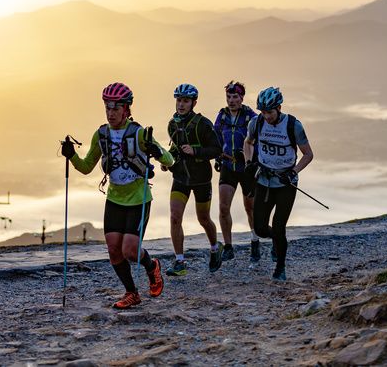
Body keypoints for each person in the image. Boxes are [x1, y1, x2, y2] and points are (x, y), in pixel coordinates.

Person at [61, 82, 174, 309]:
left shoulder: (139, 133)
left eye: (115, 108)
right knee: (114, 250)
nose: (111, 113)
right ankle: (132, 293)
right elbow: (85, 167)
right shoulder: (101, 135)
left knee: (130, 251)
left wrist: (156, 151)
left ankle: (152, 267)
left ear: (126, 110)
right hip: (114, 198)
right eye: (107, 108)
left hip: (138, 198)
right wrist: (71, 155)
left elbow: (169, 160)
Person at [244, 87, 314, 281]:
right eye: (263, 112)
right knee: (259, 228)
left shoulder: (293, 125)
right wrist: (249, 163)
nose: (266, 116)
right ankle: (276, 240)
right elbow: (248, 143)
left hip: (286, 185)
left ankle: (280, 266)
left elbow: (308, 154)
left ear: (279, 108)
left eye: (269, 112)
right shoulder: (256, 123)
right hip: (264, 181)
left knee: (279, 226)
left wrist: (293, 172)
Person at [164, 83, 224, 276]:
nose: (181, 104)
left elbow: (217, 150)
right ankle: (180, 262)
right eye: (179, 100)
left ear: (194, 103)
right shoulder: (172, 124)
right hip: (180, 177)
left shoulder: (203, 124)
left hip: (201, 179)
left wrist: (195, 151)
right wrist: (168, 162)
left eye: (185, 101)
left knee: (203, 219)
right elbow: (175, 148)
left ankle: (215, 248)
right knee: (175, 218)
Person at [213, 81, 259, 262]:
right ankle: (228, 247)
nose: (231, 101)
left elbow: (259, 140)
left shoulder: (251, 117)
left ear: (242, 98)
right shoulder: (222, 116)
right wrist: (217, 156)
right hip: (228, 167)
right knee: (223, 208)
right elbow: (216, 136)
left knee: (250, 208)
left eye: (235, 97)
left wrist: (251, 158)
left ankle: (255, 241)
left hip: (246, 168)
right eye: (228, 97)